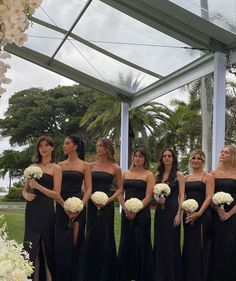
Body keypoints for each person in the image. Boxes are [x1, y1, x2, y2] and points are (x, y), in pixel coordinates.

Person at [22, 136, 62, 281]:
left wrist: (39, 187)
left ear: (52, 148)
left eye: (46, 145)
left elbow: (57, 194)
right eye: (41, 146)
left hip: (46, 210)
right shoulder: (32, 167)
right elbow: (24, 190)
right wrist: (26, 195)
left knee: (46, 246)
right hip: (32, 210)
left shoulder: (56, 168)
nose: (43, 148)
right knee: (31, 247)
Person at [83, 138, 123, 281]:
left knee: (106, 236)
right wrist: (92, 197)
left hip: (107, 206)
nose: (98, 148)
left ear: (107, 148)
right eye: (97, 146)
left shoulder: (115, 167)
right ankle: (90, 273)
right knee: (91, 234)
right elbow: (84, 186)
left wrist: (108, 200)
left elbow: (120, 189)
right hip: (92, 206)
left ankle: (106, 274)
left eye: (101, 146)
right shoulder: (90, 166)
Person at [55, 135, 92, 281]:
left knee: (75, 241)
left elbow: (88, 189)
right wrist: (63, 204)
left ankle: (76, 276)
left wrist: (80, 206)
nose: (64, 145)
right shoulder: (59, 165)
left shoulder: (85, 165)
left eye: (67, 143)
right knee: (61, 242)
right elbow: (56, 189)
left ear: (75, 146)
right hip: (61, 205)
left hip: (78, 207)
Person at [118, 147, 155, 281]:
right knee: (126, 241)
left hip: (142, 213)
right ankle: (125, 274)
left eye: (140, 156)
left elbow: (149, 196)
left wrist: (136, 209)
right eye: (136, 156)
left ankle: (141, 275)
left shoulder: (148, 175)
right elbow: (120, 193)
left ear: (145, 159)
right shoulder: (125, 173)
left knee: (141, 242)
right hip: (127, 213)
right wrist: (125, 208)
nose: (137, 158)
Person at [153, 148, 185, 281]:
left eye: (169, 156)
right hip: (160, 212)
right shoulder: (157, 175)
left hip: (173, 211)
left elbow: (182, 195)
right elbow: (153, 194)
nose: (167, 158)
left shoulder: (179, 175)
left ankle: (172, 275)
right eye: (164, 156)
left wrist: (179, 214)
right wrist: (157, 199)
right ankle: (159, 274)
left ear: (173, 158)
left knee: (172, 242)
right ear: (161, 159)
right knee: (160, 241)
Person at [182, 149, 214, 281]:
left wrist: (199, 213)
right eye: (193, 158)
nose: (196, 161)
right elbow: (182, 196)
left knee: (200, 246)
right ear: (190, 160)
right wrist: (186, 209)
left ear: (203, 161)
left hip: (203, 215)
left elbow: (209, 197)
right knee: (189, 246)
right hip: (189, 215)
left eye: (199, 158)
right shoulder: (185, 178)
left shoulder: (207, 177)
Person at [211, 145, 236, 281]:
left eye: (226, 152)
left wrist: (229, 213)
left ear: (232, 156)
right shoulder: (213, 173)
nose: (222, 154)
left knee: (230, 246)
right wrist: (217, 208)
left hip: (233, 216)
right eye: (221, 151)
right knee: (217, 245)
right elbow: (209, 196)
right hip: (215, 215)